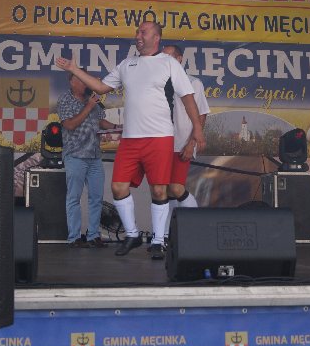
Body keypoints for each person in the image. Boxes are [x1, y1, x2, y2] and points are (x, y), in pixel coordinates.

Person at [55, 21, 206, 260]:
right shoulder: (127, 64)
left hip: (159, 137)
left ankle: (158, 241)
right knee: (118, 187)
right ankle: (133, 235)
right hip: (131, 139)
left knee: (159, 189)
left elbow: (188, 98)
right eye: (137, 32)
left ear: (156, 37)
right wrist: (75, 69)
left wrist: (197, 130)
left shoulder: (168, 63)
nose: (138, 35)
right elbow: (101, 87)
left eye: (143, 32)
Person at [57, 73, 116, 249]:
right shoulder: (65, 99)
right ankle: (74, 237)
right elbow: (69, 125)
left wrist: (116, 127)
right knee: (74, 198)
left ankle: (93, 236)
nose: (85, 83)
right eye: (81, 80)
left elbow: (100, 121)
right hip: (75, 155)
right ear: (72, 81)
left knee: (96, 198)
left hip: (95, 156)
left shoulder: (92, 99)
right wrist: (89, 106)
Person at [160, 44, 210, 243]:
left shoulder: (193, 82)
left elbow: (202, 115)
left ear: (179, 59)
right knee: (162, 190)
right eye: (162, 57)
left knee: (175, 187)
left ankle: (196, 229)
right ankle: (164, 236)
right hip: (161, 143)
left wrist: (191, 144)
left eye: (169, 57)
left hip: (181, 143)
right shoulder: (157, 83)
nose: (164, 61)